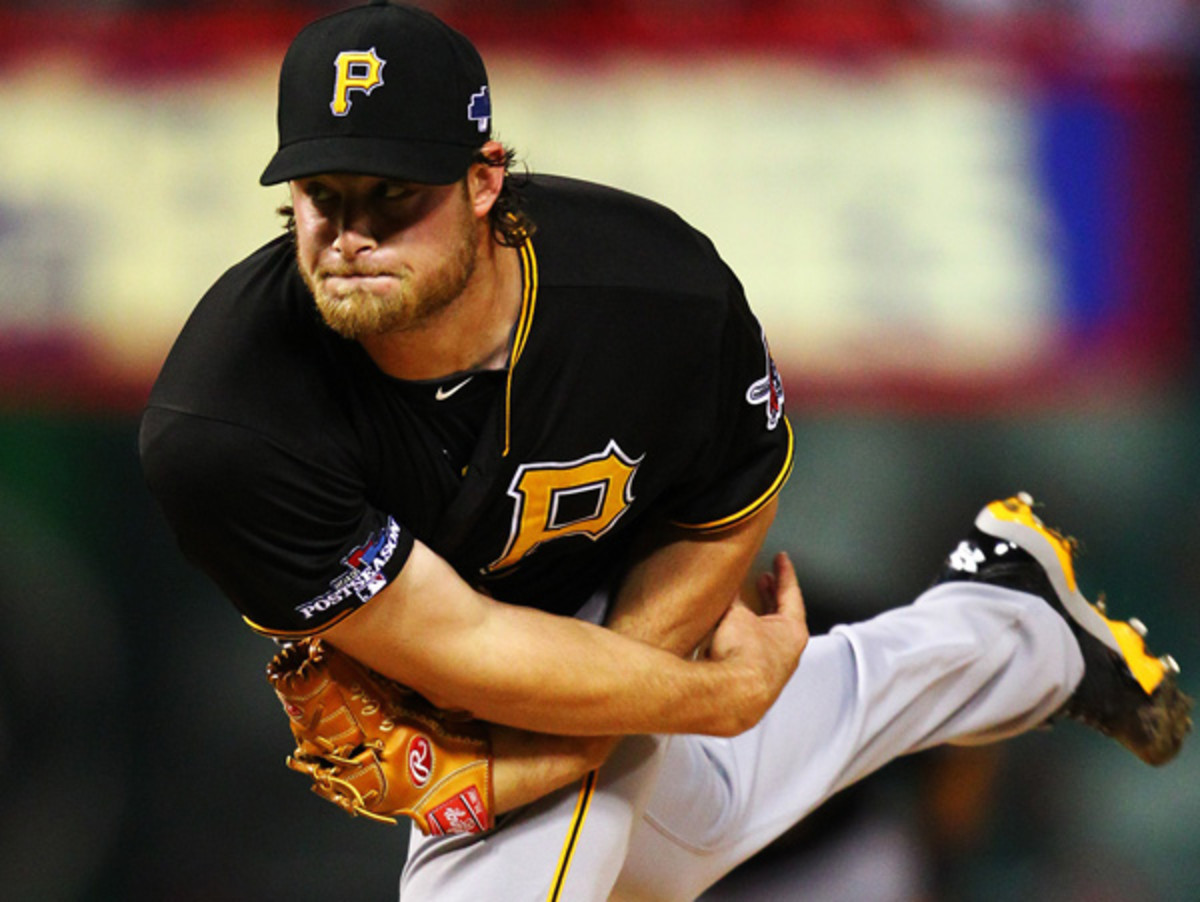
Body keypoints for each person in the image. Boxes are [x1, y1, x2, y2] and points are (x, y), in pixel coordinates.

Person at [139, 2, 1191, 899]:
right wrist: (695, 701)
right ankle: (1016, 626)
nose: (352, 235)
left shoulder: (655, 293)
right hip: (478, 659)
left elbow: (727, 506)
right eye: (325, 197)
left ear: (485, 181)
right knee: (721, 804)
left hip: (622, 592)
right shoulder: (225, 420)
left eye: (393, 195)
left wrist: (638, 685)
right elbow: (460, 644)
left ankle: (1015, 628)